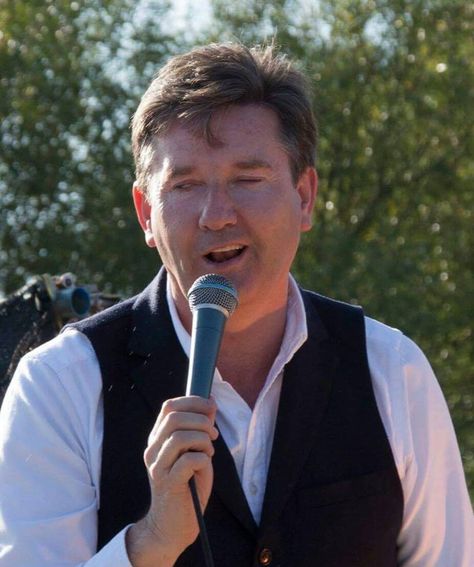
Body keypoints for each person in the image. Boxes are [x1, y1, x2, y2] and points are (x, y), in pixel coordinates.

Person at [0, 43, 472, 567]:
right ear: (146, 214)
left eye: (247, 180)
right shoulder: (61, 384)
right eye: (185, 185)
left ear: (305, 196)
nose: (216, 214)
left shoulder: (391, 370)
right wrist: (152, 541)